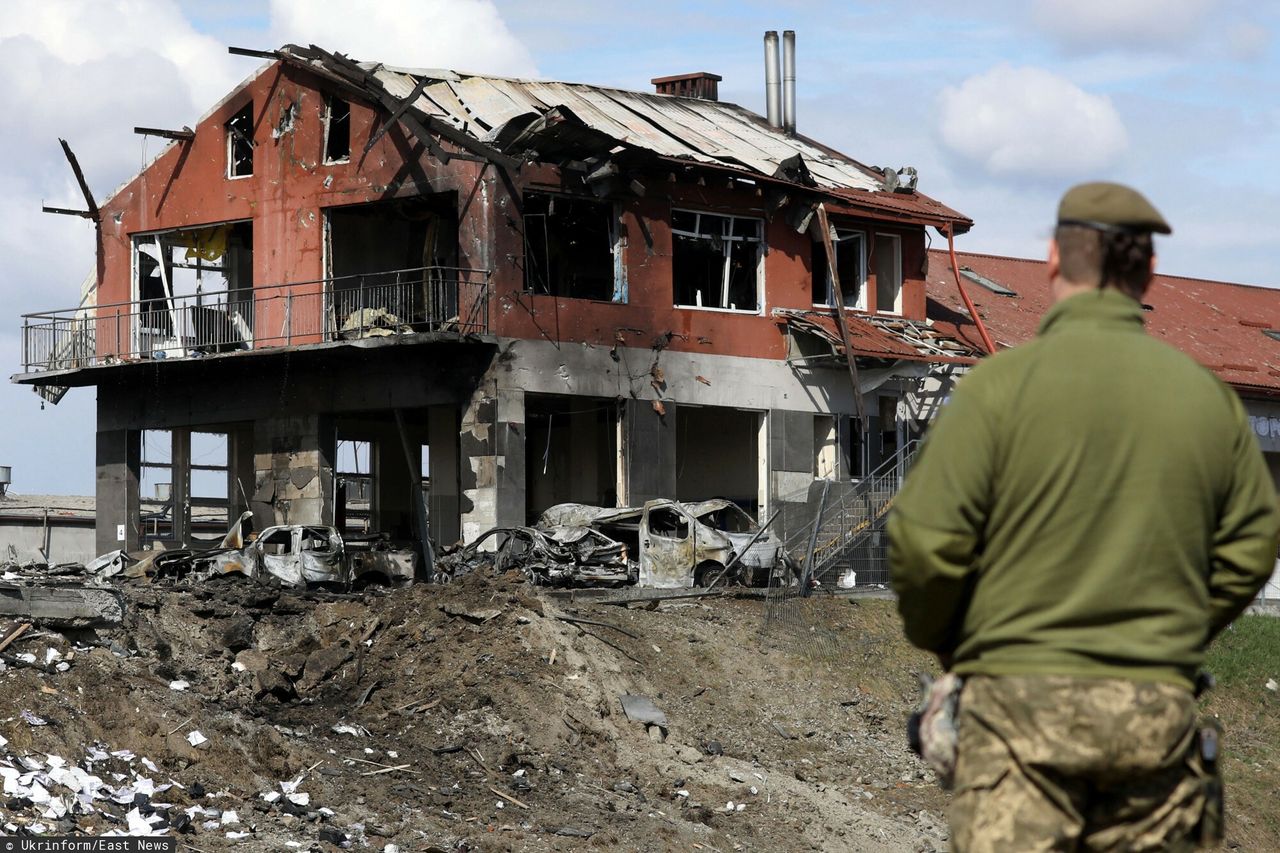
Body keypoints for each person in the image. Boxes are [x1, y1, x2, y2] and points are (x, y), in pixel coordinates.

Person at [888, 182, 1279, 851]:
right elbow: (1254, 541)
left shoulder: (996, 390)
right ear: (1149, 270)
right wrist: (1172, 632)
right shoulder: (1206, 399)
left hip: (1016, 713)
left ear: (1051, 258)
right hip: (1154, 716)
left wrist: (956, 644)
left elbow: (925, 544)